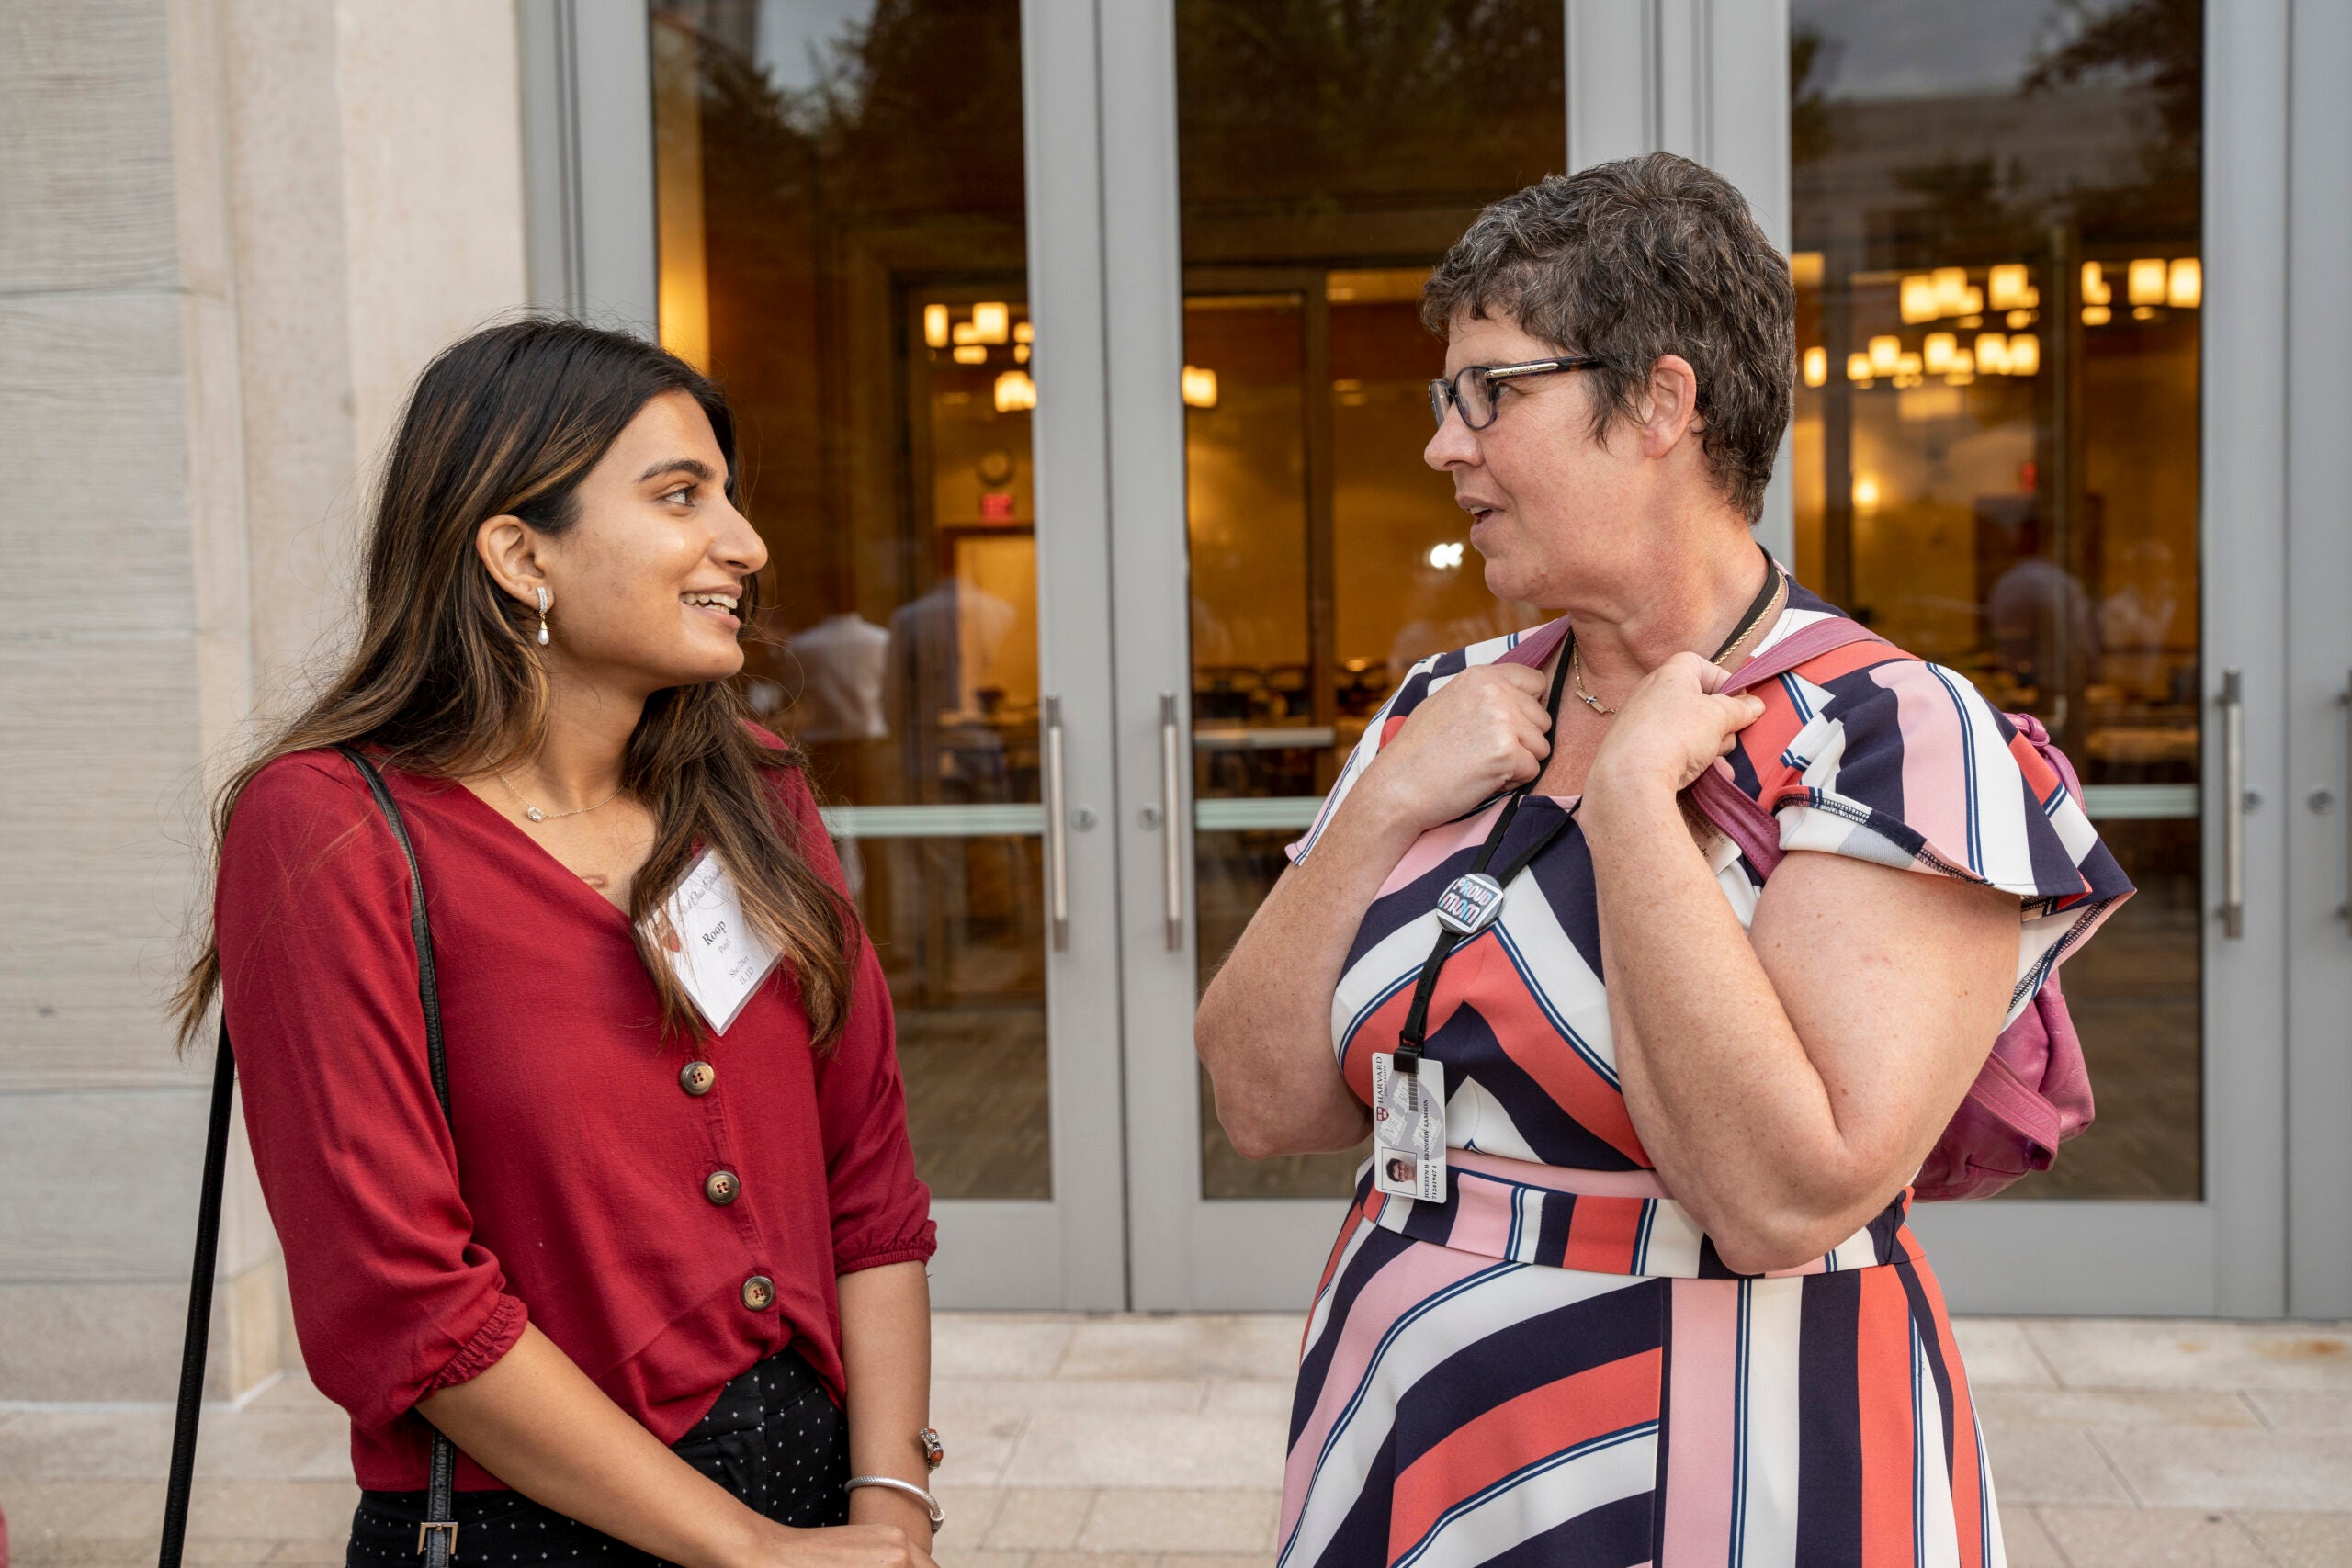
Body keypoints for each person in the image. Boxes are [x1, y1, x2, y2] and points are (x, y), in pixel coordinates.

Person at [1196, 154, 2132, 1566]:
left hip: (1736, 1449)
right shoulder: (1443, 706)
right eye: (1445, 400)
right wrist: (1388, 800)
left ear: (1662, 403)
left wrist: (1634, 801)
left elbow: (1778, 1198)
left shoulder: (1888, 733)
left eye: (1490, 392)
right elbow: (1258, 1098)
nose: (1445, 446)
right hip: (1414, 1413)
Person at [177, 319, 943, 1568]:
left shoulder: (756, 789)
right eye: (680, 496)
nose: (744, 546)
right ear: (519, 552)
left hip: (823, 1494)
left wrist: (890, 1508)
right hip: (525, 1526)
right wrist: (744, 1551)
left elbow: (868, 1189)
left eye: (730, 498)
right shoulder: (326, 829)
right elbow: (400, 1301)